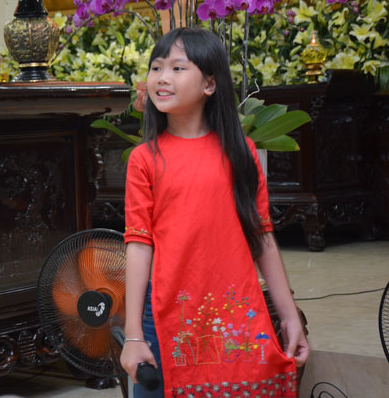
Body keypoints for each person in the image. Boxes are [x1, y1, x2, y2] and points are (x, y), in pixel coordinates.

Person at [119, 28, 309, 398]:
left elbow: (262, 236)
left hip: (234, 315)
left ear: (209, 84)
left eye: (177, 68)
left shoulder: (242, 153)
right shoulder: (144, 159)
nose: (162, 77)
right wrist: (133, 336)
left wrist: (289, 317)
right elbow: (139, 245)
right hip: (163, 315)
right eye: (156, 68)